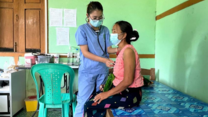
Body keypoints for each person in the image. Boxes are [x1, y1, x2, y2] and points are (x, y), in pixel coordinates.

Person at [84, 21, 144, 117]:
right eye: (112, 31)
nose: (112, 34)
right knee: (93, 96)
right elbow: (120, 76)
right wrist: (108, 87)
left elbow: (128, 81)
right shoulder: (121, 51)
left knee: (90, 105)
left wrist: (107, 94)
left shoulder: (128, 51)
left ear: (123, 35)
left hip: (130, 95)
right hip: (122, 91)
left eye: (114, 31)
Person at [74, 1, 118, 117]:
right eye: (94, 17)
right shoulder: (82, 30)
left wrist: (121, 49)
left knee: (101, 100)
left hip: (102, 71)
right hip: (88, 71)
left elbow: (108, 49)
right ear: (87, 16)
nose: (97, 20)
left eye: (100, 17)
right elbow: (85, 53)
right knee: (83, 101)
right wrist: (105, 60)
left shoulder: (105, 30)